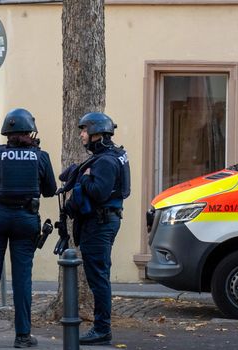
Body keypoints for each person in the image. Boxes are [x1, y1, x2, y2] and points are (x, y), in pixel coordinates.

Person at [0, 108, 56, 348]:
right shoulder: (40, 157)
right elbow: (50, 190)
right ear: (28, 132)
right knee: (22, 279)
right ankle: (22, 336)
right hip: (25, 218)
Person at [63, 112, 131, 346]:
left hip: (100, 223)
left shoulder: (105, 161)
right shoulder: (115, 155)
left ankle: (102, 329)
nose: (81, 134)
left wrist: (84, 178)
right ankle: (101, 327)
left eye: (84, 130)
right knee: (99, 274)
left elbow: (100, 192)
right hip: (106, 220)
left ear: (96, 133)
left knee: (98, 276)